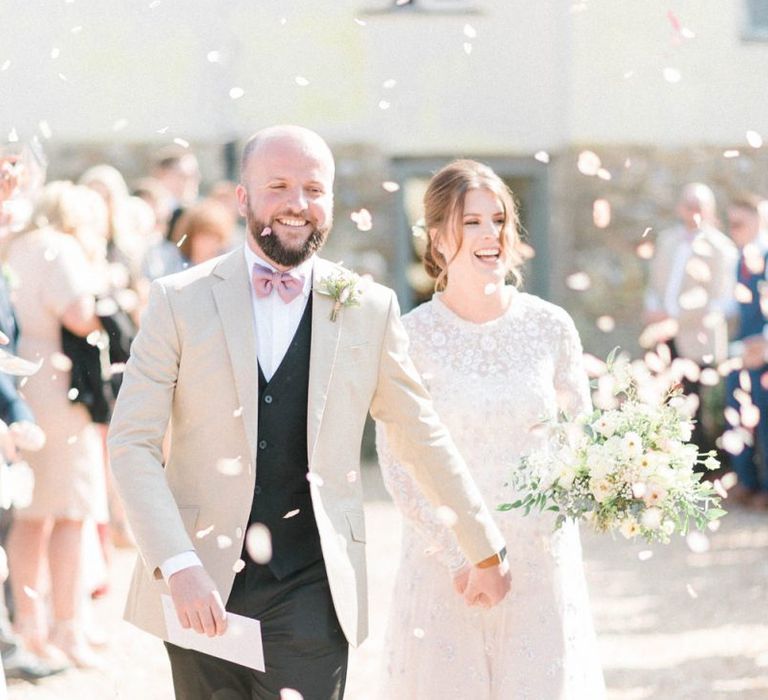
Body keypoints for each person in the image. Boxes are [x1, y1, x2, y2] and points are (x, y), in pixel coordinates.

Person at [108, 125, 510, 700]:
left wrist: (484, 545)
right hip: (200, 583)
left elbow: (419, 432)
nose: (298, 204)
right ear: (242, 197)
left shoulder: (369, 308)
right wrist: (176, 562)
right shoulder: (179, 300)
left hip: (313, 588)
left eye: (314, 190)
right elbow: (132, 443)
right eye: (279, 186)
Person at [375, 160, 605, 698]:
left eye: (498, 220)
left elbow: (578, 440)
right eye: (471, 221)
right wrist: (465, 558)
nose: (489, 235)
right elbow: (398, 462)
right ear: (436, 237)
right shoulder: (409, 338)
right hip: (444, 564)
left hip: (539, 561)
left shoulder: (551, 328)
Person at [4, 181, 109, 669]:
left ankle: (30, 627)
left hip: (20, 382)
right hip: (58, 385)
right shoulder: (60, 247)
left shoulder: (14, 245)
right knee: (69, 510)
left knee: (30, 515)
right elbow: (81, 314)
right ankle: (68, 629)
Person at [643, 183, 738, 456]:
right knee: (664, 397)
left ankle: (698, 462)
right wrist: (653, 309)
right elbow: (655, 285)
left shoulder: (721, 247)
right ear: (679, 208)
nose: (693, 211)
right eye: (689, 205)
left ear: (710, 210)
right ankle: (668, 458)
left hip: (698, 338)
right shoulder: (668, 240)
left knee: (696, 404)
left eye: (700, 206)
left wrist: (675, 317)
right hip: (663, 334)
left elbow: (721, 301)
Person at [724, 194, 768, 508]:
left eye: (740, 222)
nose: (734, 229)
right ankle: (746, 482)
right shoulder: (738, 259)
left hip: (764, 351)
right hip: (741, 350)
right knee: (737, 414)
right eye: (731, 223)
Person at [172, 198, 236, 267]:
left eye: (215, 238)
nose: (210, 244)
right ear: (191, 236)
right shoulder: (173, 262)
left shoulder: (222, 268)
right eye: (205, 236)